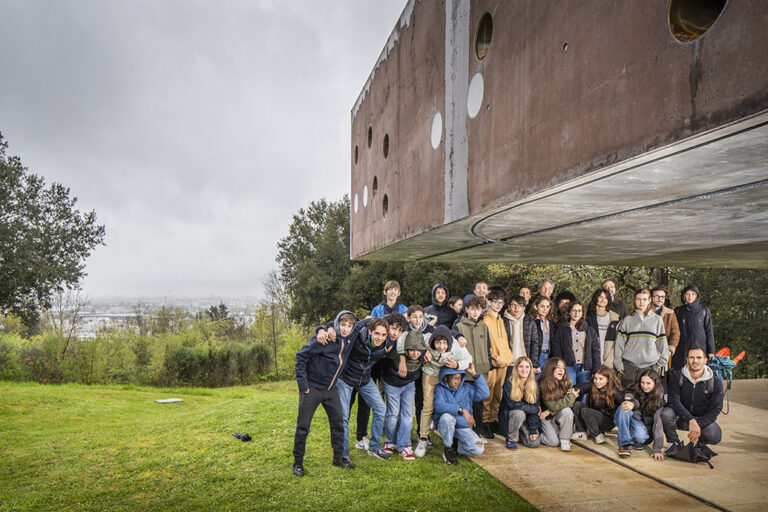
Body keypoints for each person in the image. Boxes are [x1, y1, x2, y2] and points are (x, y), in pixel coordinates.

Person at [292, 311, 357, 476]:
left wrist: (324, 326)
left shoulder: (350, 338)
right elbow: (300, 356)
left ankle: (338, 458)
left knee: (338, 424)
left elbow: (366, 322)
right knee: (303, 427)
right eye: (342, 325)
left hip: (331, 390)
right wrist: (303, 385)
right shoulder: (323, 339)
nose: (345, 329)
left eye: (349, 326)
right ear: (337, 324)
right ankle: (298, 463)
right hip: (312, 389)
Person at [332, 318, 392, 461]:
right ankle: (343, 454)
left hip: (364, 379)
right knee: (344, 416)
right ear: (370, 331)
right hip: (345, 379)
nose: (380, 338)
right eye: (377, 334)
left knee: (381, 408)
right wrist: (324, 329)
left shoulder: (385, 344)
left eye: (384, 335)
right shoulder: (356, 335)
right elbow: (337, 326)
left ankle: (375, 447)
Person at [415, 325, 472, 457]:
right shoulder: (427, 339)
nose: (441, 346)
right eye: (438, 343)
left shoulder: (456, 346)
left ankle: (444, 429)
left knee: (445, 403)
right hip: (431, 373)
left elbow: (469, 359)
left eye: (444, 343)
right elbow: (415, 342)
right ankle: (423, 438)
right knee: (428, 405)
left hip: (447, 375)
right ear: (433, 341)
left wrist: (457, 365)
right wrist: (424, 351)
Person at [661, 348, 724, 448]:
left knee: (714, 435)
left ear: (705, 360)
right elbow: (674, 401)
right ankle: (673, 442)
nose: (695, 361)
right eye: (691, 357)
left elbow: (715, 409)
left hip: (702, 419)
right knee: (665, 414)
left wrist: (698, 424)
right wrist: (691, 420)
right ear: (686, 359)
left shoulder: (716, 382)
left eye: (699, 357)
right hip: (680, 417)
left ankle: (698, 444)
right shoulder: (677, 376)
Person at [383, 329, 426, 460]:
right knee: (393, 413)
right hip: (392, 383)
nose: (415, 353)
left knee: (407, 414)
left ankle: (404, 445)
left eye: (418, 350)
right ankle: (390, 441)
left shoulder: (422, 357)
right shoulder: (396, 354)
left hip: (408, 385)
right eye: (411, 350)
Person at [433, 362, 489, 464]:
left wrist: (475, 375)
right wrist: (461, 410)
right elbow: (438, 406)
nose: (457, 382)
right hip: (446, 425)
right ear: (446, 378)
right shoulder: (440, 389)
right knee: (447, 417)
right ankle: (448, 450)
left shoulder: (466, 388)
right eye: (454, 378)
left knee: (478, 449)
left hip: (462, 427)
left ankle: (456, 446)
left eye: (459, 378)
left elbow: (484, 394)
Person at [454, 295, 493, 438]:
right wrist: (458, 336)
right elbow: (451, 334)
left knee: (479, 403)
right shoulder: (459, 325)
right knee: (465, 402)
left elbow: (487, 347)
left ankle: (478, 431)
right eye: (472, 309)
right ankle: (464, 431)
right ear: (466, 309)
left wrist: (489, 364)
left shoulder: (484, 327)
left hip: (481, 371)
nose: (476, 312)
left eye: (478, 309)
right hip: (466, 371)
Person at [614, 289, 668, 388]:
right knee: (628, 396)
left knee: (646, 398)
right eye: (638, 299)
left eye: (644, 299)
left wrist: (656, 366)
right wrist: (618, 363)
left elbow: (663, 346)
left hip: (649, 366)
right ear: (635, 300)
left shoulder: (657, 320)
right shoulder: (627, 320)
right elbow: (619, 344)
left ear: (649, 300)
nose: (641, 302)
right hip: (629, 366)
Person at [482, 289, 513, 436]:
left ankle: (494, 419)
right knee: (488, 392)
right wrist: (495, 356)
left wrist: (507, 355)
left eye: (501, 302)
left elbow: (504, 340)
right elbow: (487, 342)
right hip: (493, 363)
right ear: (489, 301)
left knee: (498, 393)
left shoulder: (501, 319)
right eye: (495, 302)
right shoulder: (486, 319)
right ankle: (485, 421)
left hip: (504, 362)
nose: (499, 305)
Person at [572, 365, 624, 445]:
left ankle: (598, 434)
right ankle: (581, 432)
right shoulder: (593, 386)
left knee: (586, 411)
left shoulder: (614, 391)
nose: (597, 381)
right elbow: (582, 386)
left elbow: (623, 401)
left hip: (607, 421)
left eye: (601, 379)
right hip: (592, 415)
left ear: (608, 379)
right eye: (595, 378)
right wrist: (575, 390)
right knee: (578, 404)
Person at [551, 301, 600, 385]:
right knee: (570, 391)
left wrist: (596, 369)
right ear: (569, 312)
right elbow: (556, 349)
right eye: (574, 310)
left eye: (579, 311)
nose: (576, 313)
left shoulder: (589, 330)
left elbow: (595, 351)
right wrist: (558, 366)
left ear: (582, 313)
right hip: (568, 366)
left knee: (583, 394)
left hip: (585, 368)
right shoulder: (562, 328)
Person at [500, 357, 541, 449]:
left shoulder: (535, 385)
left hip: (527, 419)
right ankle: (511, 438)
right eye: (521, 366)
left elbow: (535, 409)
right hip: (511, 417)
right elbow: (513, 405)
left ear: (531, 369)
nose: (524, 370)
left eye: (527, 367)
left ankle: (521, 434)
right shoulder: (509, 383)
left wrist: (533, 430)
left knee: (534, 444)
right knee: (519, 413)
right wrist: (534, 409)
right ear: (516, 368)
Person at [537, 357, 577, 451]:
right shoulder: (543, 383)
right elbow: (554, 405)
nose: (561, 370)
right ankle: (537, 434)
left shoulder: (566, 382)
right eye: (558, 367)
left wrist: (550, 411)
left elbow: (569, 404)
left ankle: (565, 440)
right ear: (551, 369)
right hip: (544, 417)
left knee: (567, 411)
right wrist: (571, 396)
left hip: (552, 414)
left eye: (563, 368)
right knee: (553, 442)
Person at [672, 285, 715, 370]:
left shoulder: (704, 310)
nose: (690, 296)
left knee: (699, 372)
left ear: (697, 296)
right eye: (687, 294)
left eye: (693, 294)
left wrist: (711, 351)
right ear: (684, 296)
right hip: (682, 349)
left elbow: (709, 331)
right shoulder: (678, 311)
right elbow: (674, 331)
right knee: (681, 373)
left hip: (700, 347)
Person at [628, 368, 668, 461]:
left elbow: (658, 422)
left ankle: (635, 437)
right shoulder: (636, 388)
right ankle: (626, 437)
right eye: (642, 382)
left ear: (655, 383)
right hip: (636, 418)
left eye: (648, 383)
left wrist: (657, 449)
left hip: (647, 424)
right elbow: (628, 391)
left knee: (642, 439)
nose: (644, 386)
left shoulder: (659, 397)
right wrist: (629, 398)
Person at [503, 294, 540, 374]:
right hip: (508, 363)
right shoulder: (502, 321)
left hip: (524, 362)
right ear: (509, 306)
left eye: (520, 306)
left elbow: (534, 344)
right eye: (514, 305)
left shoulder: (530, 322)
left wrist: (534, 364)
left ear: (524, 308)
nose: (517, 308)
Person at [585, 288, 620, 370]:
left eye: (605, 297)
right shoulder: (588, 317)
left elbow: (618, 342)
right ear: (595, 298)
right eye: (600, 296)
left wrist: (609, 361)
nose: (603, 299)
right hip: (593, 359)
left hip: (610, 359)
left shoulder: (615, 318)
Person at [650, 287, 680, 362]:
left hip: (663, 353)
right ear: (651, 298)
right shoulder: (644, 312)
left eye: (662, 296)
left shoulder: (670, 313)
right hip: (645, 352)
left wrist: (670, 349)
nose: (660, 299)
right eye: (657, 296)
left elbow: (675, 333)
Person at [530, 296, 555, 375]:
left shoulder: (551, 322)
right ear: (536, 307)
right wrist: (534, 362)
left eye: (547, 307)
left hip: (549, 356)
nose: (545, 309)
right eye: (542, 306)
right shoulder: (532, 322)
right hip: (537, 356)